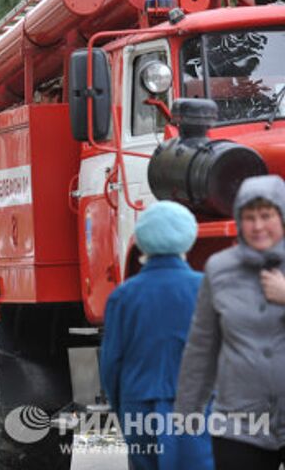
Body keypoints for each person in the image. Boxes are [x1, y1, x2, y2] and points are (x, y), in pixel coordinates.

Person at [175, 175, 285, 469]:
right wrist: (187, 412)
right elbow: (202, 345)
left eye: (266, 215)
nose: (258, 226)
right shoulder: (220, 269)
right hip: (240, 423)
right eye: (249, 217)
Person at [99, 201, 213, 470]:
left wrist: (122, 407)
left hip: (138, 404)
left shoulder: (123, 297)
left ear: (140, 240)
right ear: (190, 238)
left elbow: (111, 364)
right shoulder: (207, 290)